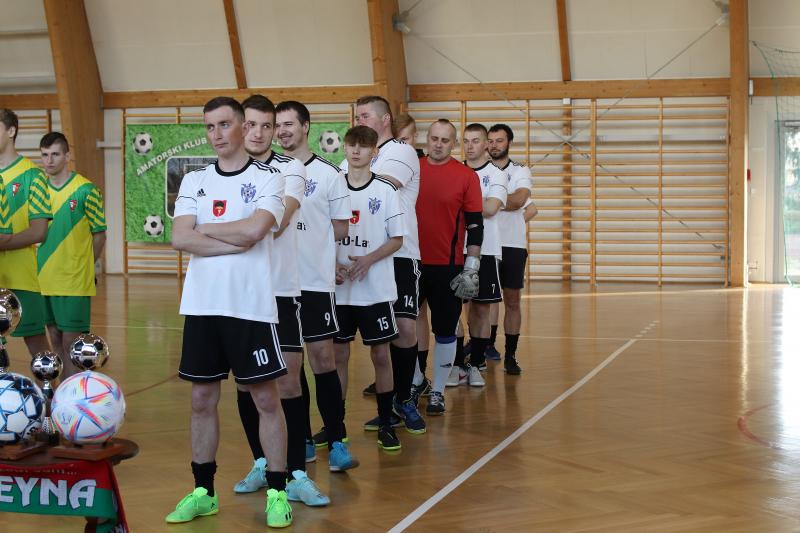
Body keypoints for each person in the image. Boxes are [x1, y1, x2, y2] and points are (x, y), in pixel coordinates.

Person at [167, 96, 292, 528]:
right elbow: (180, 238)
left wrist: (205, 230)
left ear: (243, 127)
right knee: (201, 399)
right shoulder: (194, 180)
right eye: (209, 127)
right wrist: (232, 241)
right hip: (202, 307)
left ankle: (277, 491)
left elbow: (256, 229)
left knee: (265, 399)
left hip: (250, 307)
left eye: (224, 124)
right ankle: (203, 492)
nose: (216, 134)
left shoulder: (270, 178)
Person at [230, 94, 333, 507]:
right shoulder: (224, 172)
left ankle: (295, 474)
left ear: (275, 130)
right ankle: (262, 463)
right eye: (250, 125)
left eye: (266, 126)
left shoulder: (290, 169)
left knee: (289, 380)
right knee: (246, 382)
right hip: (240, 292)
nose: (257, 133)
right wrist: (242, 227)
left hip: (282, 291)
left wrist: (234, 228)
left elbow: (276, 222)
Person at [274, 100, 357, 470]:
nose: (282, 131)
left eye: (289, 124)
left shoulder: (328, 174)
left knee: (323, 359)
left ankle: (337, 439)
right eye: (278, 125)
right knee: (290, 368)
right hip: (280, 285)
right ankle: (303, 439)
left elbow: (341, 227)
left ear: (305, 126)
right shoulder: (269, 171)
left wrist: (319, 248)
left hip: (315, 284)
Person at [343, 96, 425, 434]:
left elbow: (372, 186)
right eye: (356, 116)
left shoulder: (401, 151)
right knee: (375, 339)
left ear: (386, 119)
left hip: (399, 253)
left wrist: (349, 175)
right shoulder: (354, 157)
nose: (359, 121)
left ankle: (405, 399)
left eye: (365, 115)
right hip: (360, 255)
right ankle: (384, 405)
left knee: (404, 328)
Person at [335, 125, 405, 449]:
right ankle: (335, 426)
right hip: (339, 288)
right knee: (338, 355)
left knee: (380, 354)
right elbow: (320, 233)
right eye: (352, 144)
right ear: (344, 147)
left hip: (374, 288)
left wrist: (368, 260)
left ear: (374, 152)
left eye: (363, 146)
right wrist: (330, 265)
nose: (356, 151)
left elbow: (397, 239)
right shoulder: (333, 186)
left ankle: (386, 421)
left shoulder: (386, 190)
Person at [416, 119, 483, 415]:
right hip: (410, 263)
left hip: (448, 266)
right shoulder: (412, 170)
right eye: (434, 138)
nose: (438, 144)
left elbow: (475, 225)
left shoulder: (466, 176)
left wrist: (472, 265)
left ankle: (438, 392)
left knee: (445, 330)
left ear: (453, 144)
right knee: (405, 328)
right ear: (427, 139)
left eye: (445, 140)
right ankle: (415, 382)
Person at [37, 132, 106, 377]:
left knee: (71, 344)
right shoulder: (37, 191)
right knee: (54, 340)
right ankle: (59, 392)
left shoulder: (86, 190)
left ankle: (71, 393)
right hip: (43, 278)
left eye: (55, 154)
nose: (49, 160)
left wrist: (86, 266)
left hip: (74, 280)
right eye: (45, 155)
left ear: (67, 156)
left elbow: (100, 235)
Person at [448, 124, 507, 387]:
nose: (470, 146)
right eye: (466, 141)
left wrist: (458, 201)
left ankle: (476, 364)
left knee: (481, 310)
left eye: (475, 141)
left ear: (485, 145)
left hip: (486, 250)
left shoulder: (496, 174)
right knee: (452, 309)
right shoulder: (453, 171)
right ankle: (457, 364)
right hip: (452, 250)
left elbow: (491, 208)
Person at [0, 108, 52, 356]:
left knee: (38, 347)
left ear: (11, 131)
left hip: (21, 276)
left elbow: (39, 232)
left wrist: (4, 242)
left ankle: (52, 385)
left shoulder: (33, 176)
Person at [488, 124, 533, 375]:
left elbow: (519, 201)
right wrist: (504, 200)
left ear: (509, 143)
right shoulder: (479, 170)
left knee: (512, 301)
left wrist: (491, 201)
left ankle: (511, 355)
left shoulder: (520, 170)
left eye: (499, 140)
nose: (494, 145)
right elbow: (511, 200)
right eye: (491, 140)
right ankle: (484, 348)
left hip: (513, 244)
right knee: (481, 302)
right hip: (486, 243)